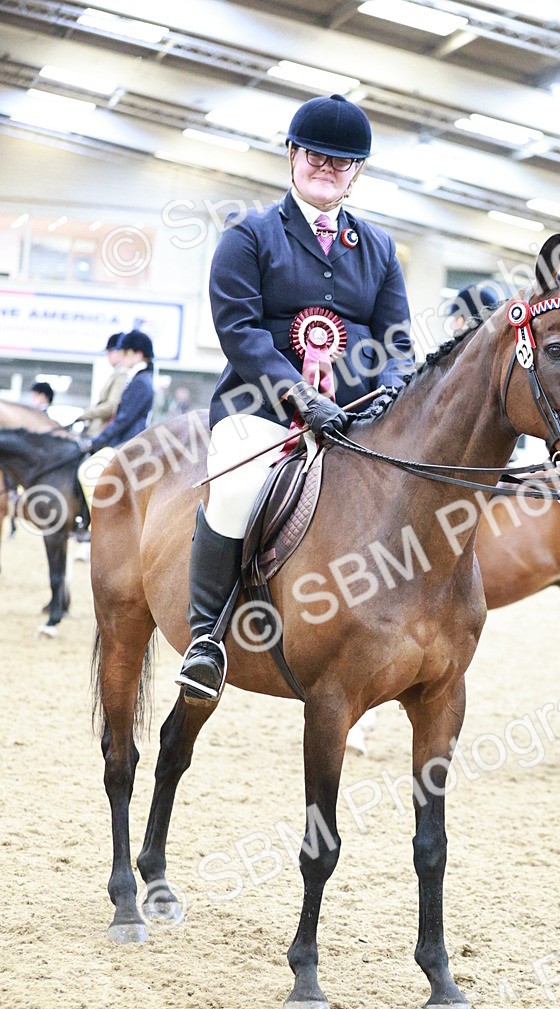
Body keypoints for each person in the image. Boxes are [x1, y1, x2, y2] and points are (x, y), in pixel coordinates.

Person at [176, 92, 414, 705]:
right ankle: (206, 640)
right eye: (317, 155)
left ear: (357, 171)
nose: (327, 168)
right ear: (292, 154)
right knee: (232, 490)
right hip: (260, 411)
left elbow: (397, 342)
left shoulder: (382, 249)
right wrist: (301, 397)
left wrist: (388, 398)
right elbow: (241, 333)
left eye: (343, 161)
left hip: (356, 420)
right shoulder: (249, 236)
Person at [77, 329, 155, 510]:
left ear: (137, 354)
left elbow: (123, 421)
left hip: (128, 443)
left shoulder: (140, 382)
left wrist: (96, 441)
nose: (122, 357)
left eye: (125, 353)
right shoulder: (139, 379)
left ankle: (99, 520)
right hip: (125, 440)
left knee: (88, 470)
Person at [80, 333, 128, 438]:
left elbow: (111, 406)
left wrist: (84, 414)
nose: (108, 356)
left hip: (102, 431)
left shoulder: (122, 374)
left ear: (118, 351)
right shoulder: (117, 373)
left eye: (109, 352)